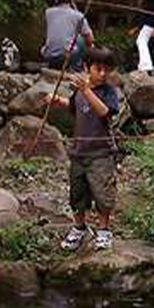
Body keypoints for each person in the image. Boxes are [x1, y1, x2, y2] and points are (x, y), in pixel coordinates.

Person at [46, 46, 122, 252]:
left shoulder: (108, 92)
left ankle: (104, 231)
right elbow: (75, 107)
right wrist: (57, 101)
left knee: (102, 193)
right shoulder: (79, 92)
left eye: (108, 70)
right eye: (98, 69)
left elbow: (104, 112)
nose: (104, 74)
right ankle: (79, 228)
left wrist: (86, 90)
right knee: (77, 194)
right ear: (88, 68)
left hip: (101, 154)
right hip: (79, 152)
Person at [41, 0, 93, 71]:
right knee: (81, 40)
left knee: (75, 39)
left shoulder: (48, 12)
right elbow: (90, 39)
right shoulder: (78, 15)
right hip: (67, 56)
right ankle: (77, 68)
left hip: (48, 55)